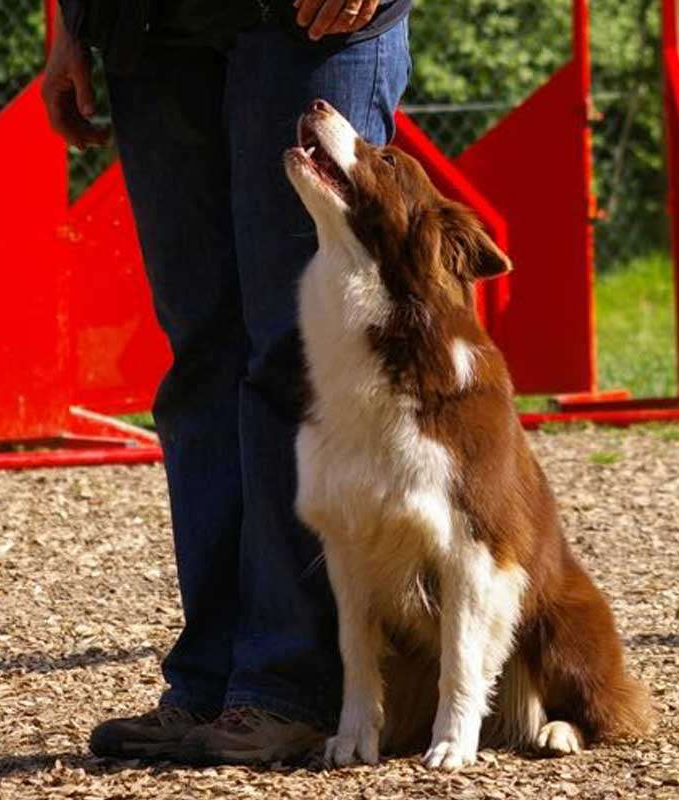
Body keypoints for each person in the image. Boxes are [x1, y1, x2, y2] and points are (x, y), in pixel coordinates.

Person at [42, 0, 411, 765]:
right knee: (201, 358)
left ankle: (293, 687)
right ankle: (211, 681)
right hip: (155, 31)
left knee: (297, 356)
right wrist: (72, 25)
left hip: (311, 25)